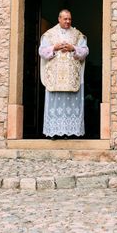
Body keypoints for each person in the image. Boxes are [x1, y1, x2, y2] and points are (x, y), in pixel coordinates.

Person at [38, 9, 89, 138]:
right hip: (54, 78)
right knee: (55, 103)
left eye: (69, 19)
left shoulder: (77, 35)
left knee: (71, 103)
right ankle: (54, 132)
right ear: (59, 19)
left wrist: (73, 48)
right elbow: (41, 51)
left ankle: (71, 132)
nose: (67, 21)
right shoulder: (49, 35)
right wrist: (54, 48)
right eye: (65, 19)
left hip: (71, 78)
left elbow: (85, 51)